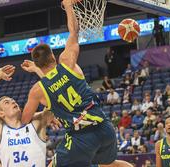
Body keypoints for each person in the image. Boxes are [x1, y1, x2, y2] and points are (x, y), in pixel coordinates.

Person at [21, 0, 133, 166]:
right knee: (110, 165)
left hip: (80, 138)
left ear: (37, 65)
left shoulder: (38, 90)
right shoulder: (67, 62)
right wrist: (67, 5)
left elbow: (24, 121)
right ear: (53, 56)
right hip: (105, 130)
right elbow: (74, 32)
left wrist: (47, 113)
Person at [0, 65, 56, 167]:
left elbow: (56, 94)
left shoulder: (37, 123)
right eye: (7, 102)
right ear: (1, 113)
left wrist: (38, 70)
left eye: (13, 101)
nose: (13, 102)